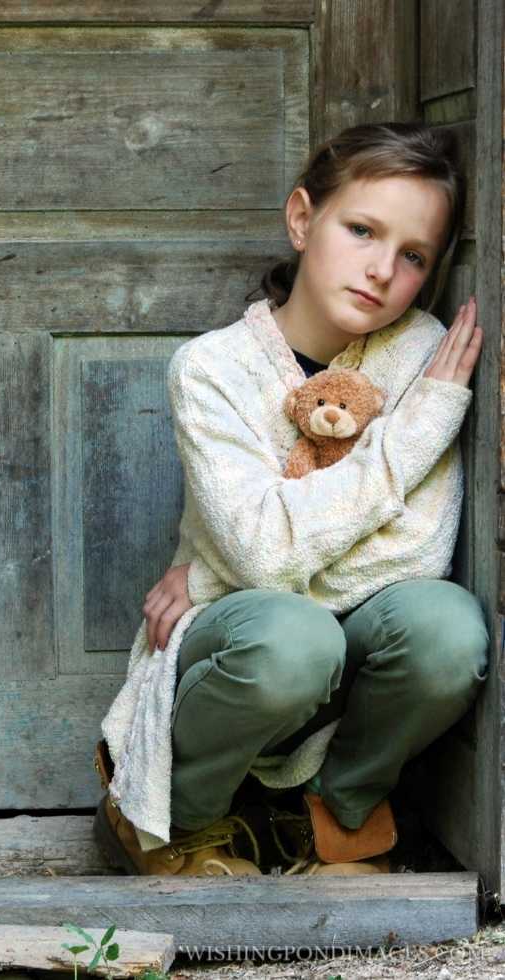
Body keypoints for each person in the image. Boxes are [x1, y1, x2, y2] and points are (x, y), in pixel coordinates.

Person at [95, 122, 490, 878]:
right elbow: (265, 554)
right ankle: (175, 817)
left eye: (412, 256)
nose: (380, 269)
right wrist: (407, 441)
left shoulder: (422, 356)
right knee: (296, 639)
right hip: (254, 653)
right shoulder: (211, 370)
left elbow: (419, 552)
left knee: (447, 629)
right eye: (362, 230)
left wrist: (210, 574)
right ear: (303, 219)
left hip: (352, 648)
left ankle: (337, 817)